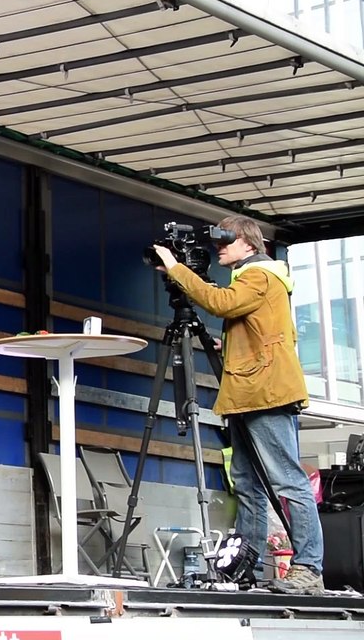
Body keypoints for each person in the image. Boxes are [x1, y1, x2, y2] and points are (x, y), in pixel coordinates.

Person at [153, 215, 323, 595]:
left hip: (266, 393)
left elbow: (221, 303)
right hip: (249, 392)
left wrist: (177, 268)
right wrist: (228, 345)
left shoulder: (259, 275)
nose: (219, 248)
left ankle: (309, 568)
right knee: (247, 484)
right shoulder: (252, 276)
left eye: (225, 241)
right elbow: (264, 329)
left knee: (288, 481)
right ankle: (246, 567)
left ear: (248, 243)